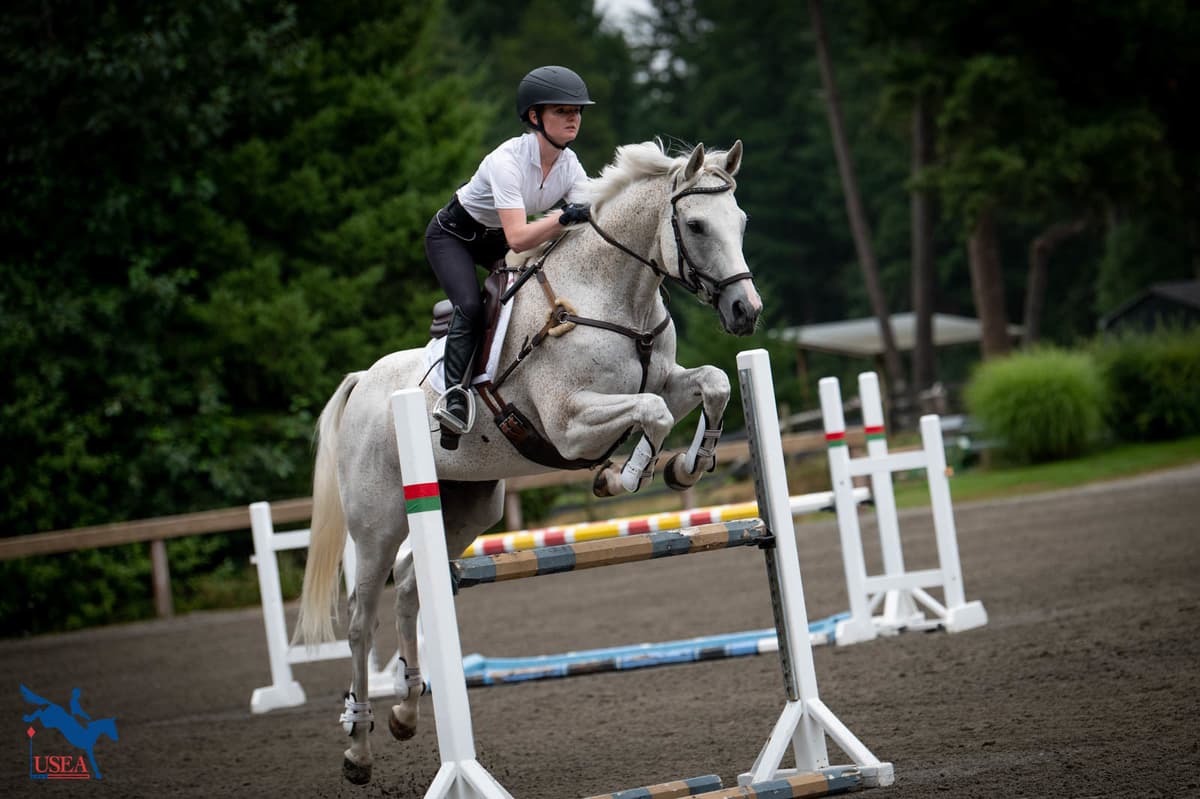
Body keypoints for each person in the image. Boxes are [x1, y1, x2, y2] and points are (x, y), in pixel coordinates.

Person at [425, 65, 595, 447]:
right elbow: (519, 239)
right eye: (562, 111)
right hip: (454, 237)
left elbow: (591, 218)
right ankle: (453, 397)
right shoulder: (506, 161)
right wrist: (564, 217)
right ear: (535, 117)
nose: (573, 119)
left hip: (495, 238)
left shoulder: (570, 166)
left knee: (535, 290)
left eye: (577, 111)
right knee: (470, 304)